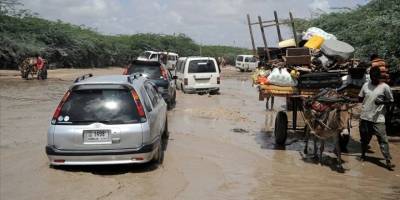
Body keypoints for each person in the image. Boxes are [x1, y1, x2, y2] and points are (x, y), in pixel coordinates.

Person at [358, 66, 395, 170]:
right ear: (370, 77)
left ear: (379, 77)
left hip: (379, 119)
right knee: (364, 139)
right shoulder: (365, 85)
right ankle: (363, 155)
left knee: (383, 139)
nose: (373, 79)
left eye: (375, 78)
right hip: (365, 117)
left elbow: (391, 101)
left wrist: (382, 102)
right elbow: (360, 98)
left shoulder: (385, 87)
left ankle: (388, 160)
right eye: (372, 77)